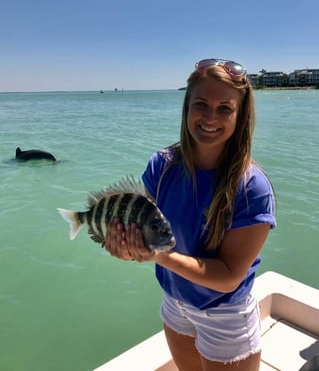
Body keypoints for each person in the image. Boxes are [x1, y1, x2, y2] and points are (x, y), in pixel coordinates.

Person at [105, 58, 276, 371]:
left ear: (240, 115)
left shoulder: (252, 188)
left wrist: (160, 257)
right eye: (201, 104)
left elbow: (228, 277)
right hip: (174, 300)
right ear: (186, 107)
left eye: (225, 108)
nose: (210, 116)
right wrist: (127, 248)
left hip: (225, 312)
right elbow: (146, 231)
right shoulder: (162, 165)